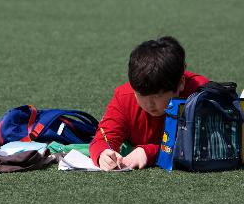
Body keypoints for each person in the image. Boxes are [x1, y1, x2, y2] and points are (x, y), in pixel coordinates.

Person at [89, 36, 209, 171]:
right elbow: (102, 139)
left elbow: (205, 144)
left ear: (181, 83)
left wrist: (149, 152)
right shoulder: (125, 96)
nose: (149, 104)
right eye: (141, 95)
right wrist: (102, 154)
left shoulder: (199, 94)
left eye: (158, 96)